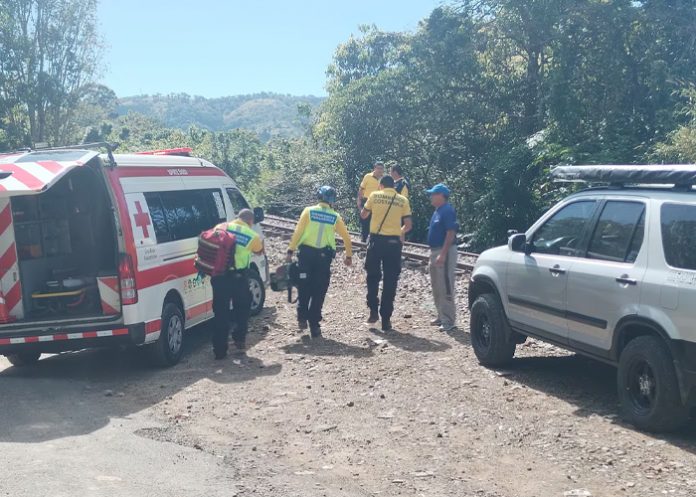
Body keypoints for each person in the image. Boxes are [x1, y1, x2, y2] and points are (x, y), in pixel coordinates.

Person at [286, 186, 353, 338]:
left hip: (306, 255)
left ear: (319, 196)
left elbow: (298, 232)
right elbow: (347, 238)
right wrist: (348, 256)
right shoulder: (335, 216)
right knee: (319, 290)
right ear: (332, 200)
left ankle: (302, 317)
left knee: (304, 286)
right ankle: (314, 325)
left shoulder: (308, 211)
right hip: (323, 258)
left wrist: (290, 250)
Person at [360, 176, 412, 331]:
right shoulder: (402, 200)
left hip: (376, 242)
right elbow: (408, 225)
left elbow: (363, 215)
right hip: (394, 244)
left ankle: (373, 311)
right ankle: (386, 319)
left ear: (381, 185)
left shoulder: (374, 196)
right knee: (391, 281)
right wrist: (399, 231)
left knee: (373, 277)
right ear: (394, 186)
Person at [210, 209, 264, 359]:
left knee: (220, 313)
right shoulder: (251, 235)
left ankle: (219, 350)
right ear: (251, 221)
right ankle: (239, 339)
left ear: (237, 218)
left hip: (219, 277)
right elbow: (259, 251)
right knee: (243, 308)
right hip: (238, 278)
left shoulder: (220, 227)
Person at [426, 184, 458, 332]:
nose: (431, 197)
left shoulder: (447, 211)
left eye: (433, 194)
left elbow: (450, 233)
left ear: (441, 195)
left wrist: (443, 254)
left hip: (444, 251)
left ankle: (448, 320)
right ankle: (441, 315)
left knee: (445, 285)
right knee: (436, 285)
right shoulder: (437, 211)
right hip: (434, 250)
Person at [357, 161, 385, 242]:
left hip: (377, 203)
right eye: (378, 168)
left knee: (375, 224)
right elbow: (361, 189)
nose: (379, 170)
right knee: (365, 222)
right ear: (374, 169)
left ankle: (372, 242)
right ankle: (363, 241)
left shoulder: (383, 179)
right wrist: (359, 201)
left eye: (381, 169)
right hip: (366, 201)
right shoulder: (368, 176)